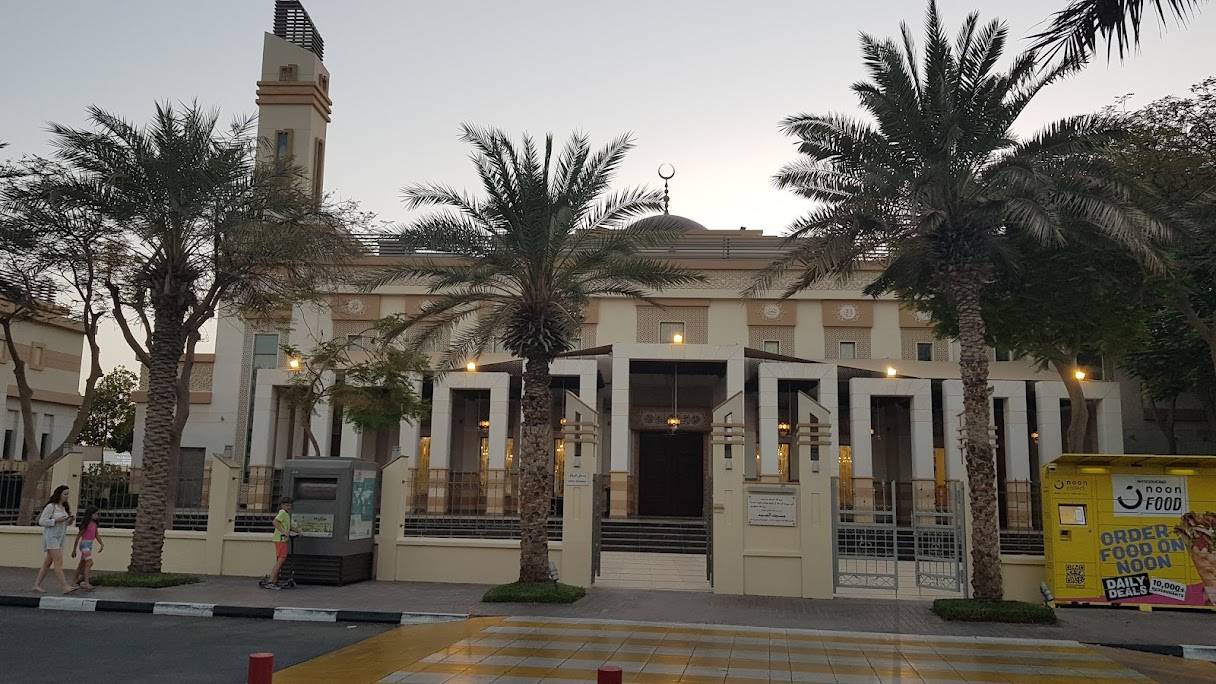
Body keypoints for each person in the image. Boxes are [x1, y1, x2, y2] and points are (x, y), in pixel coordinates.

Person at [32, 485, 77, 594]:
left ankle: (36, 585)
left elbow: (65, 523)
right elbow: (42, 521)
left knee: (47, 563)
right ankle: (65, 586)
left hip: (60, 538)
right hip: (51, 537)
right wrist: (55, 520)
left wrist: (69, 520)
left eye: (68, 494)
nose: (67, 496)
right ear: (59, 494)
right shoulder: (51, 507)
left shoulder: (64, 508)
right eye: (65, 494)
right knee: (58, 561)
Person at [264, 498, 298, 589]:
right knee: (281, 560)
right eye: (287, 505)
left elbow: (289, 526)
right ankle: (271, 581)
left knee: (280, 560)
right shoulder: (282, 512)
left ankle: (274, 580)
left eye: (290, 505)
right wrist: (283, 532)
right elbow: (275, 522)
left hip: (282, 539)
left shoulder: (286, 514)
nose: (289, 507)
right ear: (282, 505)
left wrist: (298, 531)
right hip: (280, 539)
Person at [71, 506, 104, 590]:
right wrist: (74, 549)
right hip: (84, 545)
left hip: (89, 545)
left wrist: (101, 544)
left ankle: (74, 581)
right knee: (89, 562)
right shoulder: (85, 525)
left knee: (82, 564)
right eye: (95, 514)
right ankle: (86, 582)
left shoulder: (94, 524)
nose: (97, 516)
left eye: (97, 514)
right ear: (90, 515)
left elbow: (96, 535)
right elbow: (78, 537)